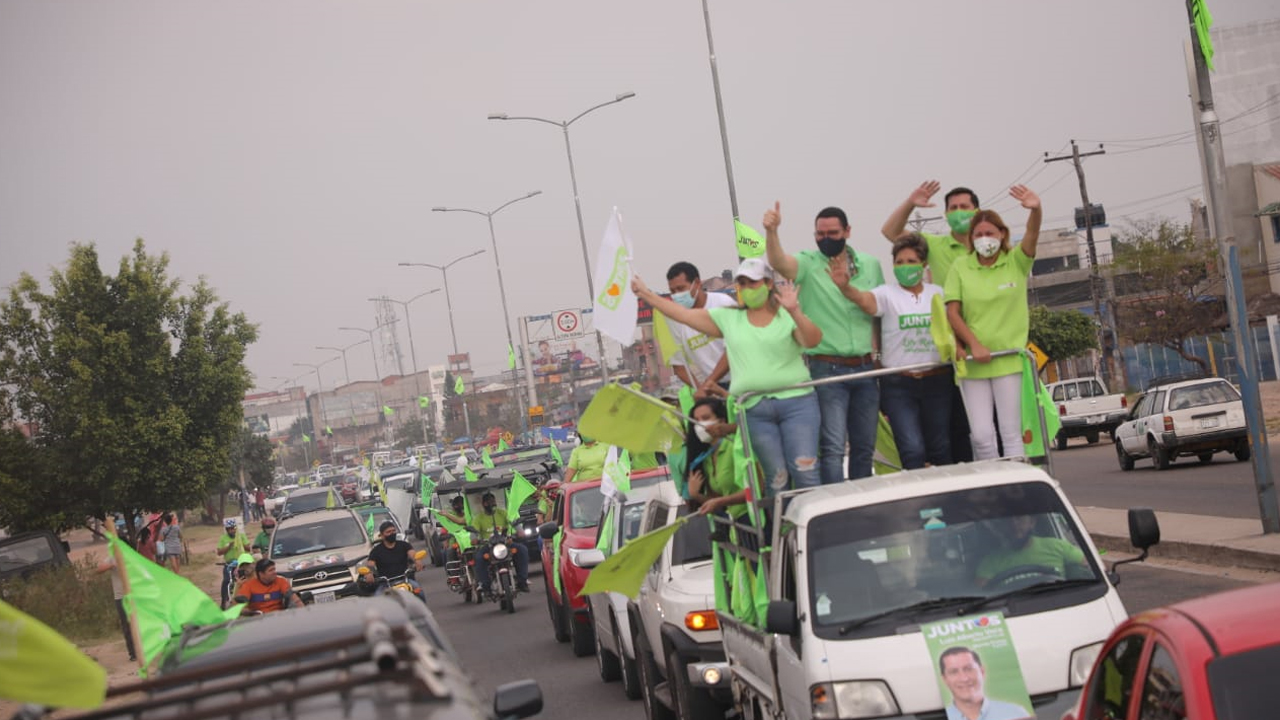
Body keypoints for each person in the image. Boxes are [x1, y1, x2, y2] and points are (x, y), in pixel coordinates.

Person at [634, 253, 823, 494]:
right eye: (742, 283)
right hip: (755, 408)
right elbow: (682, 315)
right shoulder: (730, 317)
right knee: (777, 478)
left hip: (796, 403)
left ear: (767, 283)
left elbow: (813, 340)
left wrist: (795, 311)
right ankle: (785, 529)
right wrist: (646, 294)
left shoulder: (785, 314)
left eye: (752, 282)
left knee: (805, 471)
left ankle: (819, 528)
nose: (746, 288)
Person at [765, 201, 885, 482]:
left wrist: (881, 357)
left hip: (867, 367)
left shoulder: (870, 264)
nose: (825, 239)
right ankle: (838, 508)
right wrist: (772, 231)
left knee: (865, 446)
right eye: (820, 234)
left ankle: (863, 503)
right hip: (827, 368)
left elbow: (879, 312)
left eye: (832, 233)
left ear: (848, 231)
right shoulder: (808, 262)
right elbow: (779, 262)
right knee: (832, 447)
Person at [883, 182, 980, 463]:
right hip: (952, 352)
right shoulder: (934, 246)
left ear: (978, 211)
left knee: (991, 431)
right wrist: (910, 203)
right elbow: (890, 232)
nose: (959, 212)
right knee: (956, 431)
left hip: (989, 346)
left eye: (965, 207)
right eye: (953, 208)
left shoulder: (989, 243)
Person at [836, 233, 952, 468]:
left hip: (937, 380)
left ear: (924, 264)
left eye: (911, 261)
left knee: (940, 447)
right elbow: (864, 300)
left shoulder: (938, 293)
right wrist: (846, 287)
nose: (905, 267)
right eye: (899, 262)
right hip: (899, 385)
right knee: (912, 448)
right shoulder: (886, 294)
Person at [945, 186, 1042, 460]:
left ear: (1002, 234)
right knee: (982, 436)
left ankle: (1016, 488)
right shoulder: (961, 267)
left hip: (1009, 361)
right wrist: (974, 345)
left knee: (1011, 434)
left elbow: (1033, 235)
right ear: (971, 238)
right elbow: (953, 312)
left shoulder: (1016, 262)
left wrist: (1035, 209)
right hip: (975, 364)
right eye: (978, 234)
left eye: (990, 233)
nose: (984, 239)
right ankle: (991, 489)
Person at [664, 261, 733, 397]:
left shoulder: (723, 303)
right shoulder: (674, 319)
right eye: (673, 291)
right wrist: (701, 389)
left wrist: (709, 383)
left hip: (741, 379)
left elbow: (734, 349)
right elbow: (679, 366)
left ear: (697, 283)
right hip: (713, 388)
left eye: (681, 288)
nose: (677, 295)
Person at [974, 515, 1086, 589]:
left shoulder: (1057, 546)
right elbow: (983, 595)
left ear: (1032, 522)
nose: (1014, 524)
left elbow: (1091, 566)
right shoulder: (990, 561)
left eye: (1019, 519)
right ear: (1002, 526)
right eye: (1008, 521)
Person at [684, 398, 748, 519]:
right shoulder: (706, 457)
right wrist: (696, 495)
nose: (700, 425)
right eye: (696, 420)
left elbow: (756, 489)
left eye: (706, 418)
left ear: (722, 421)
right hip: (736, 524)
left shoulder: (735, 446)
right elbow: (716, 501)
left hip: (754, 517)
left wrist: (721, 502)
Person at [939, 646, 1032, 720]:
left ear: (982, 671)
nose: (964, 678)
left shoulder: (1015, 712)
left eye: (969, 669)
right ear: (945, 679)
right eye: (954, 672)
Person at [472, 491, 530, 593]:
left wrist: (520, 532)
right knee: (479, 558)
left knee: (522, 550)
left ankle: (522, 581)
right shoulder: (478, 518)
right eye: (489, 502)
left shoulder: (503, 513)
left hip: (505, 543)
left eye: (493, 501)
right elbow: (474, 531)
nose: (492, 504)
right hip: (488, 546)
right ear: (484, 504)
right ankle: (485, 585)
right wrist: (474, 539)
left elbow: (513, 522)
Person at [96, 532, 137, 662]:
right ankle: (132, 653)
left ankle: (143, 648)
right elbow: (99, 569)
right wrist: (112, 565)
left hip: (134, 595)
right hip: (120, 597)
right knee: (126, 626)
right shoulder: (113, 558)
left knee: (138, 623)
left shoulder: (131, 557)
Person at [361, 521, 424, 595]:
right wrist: (368, 573)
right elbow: (370, 564)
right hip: (385, 584)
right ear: (381, 535)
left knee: (419, 592)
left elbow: (413, 554)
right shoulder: (376, 551)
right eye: (388, 532)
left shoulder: (404, 545)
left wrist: (417, 560)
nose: (392, 533)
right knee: (378, 599)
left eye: (394, 531)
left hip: (405, 580)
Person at [233, 558, 302, 615]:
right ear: (261, 574)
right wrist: (250, 613)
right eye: (270, 570)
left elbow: (293, 597)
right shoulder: (248, 585)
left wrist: (302, 610)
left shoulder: (281, 581)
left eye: (274, 569)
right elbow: (239, 606)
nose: (274, 572)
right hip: (258, 620)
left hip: (280, 617)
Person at [216, 518, 249, 609]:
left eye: (233, 528)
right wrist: (229, 546)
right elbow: (219, 552)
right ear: (227, 530)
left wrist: (241, 543)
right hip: (230, 564)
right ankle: (223, 602)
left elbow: (248, 548)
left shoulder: (241, 536)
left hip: (241, 563)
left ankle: (246, 599)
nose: (232, 531)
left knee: (245, 579)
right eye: (229, 529)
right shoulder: (223, 538)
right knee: (226, 581)